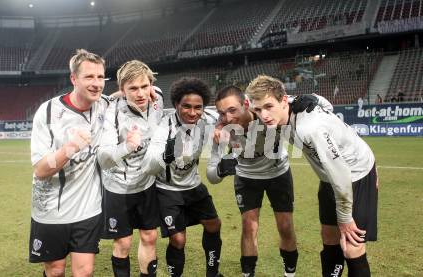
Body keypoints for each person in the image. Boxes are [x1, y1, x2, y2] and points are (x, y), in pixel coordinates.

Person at [246, 75, 378, 277]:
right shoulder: (286, 106)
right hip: (328, 177)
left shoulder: (309, 128)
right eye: (258, 109)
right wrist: (314, 97)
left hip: (355, 174)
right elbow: (327, 105)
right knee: (329, 236)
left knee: (351, 245)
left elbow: (341, 175)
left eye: (268, 106)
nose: (263, 115)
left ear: (282, 101)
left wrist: (344, 217)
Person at [206, 86, 332, 277]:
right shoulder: (221, 128)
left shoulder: (265, 110)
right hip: (246, 178)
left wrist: (311, 99)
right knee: (249, 226)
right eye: (222, 113)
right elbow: (211, 176)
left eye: (233, 110)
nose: (228, 118)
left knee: (285, 226)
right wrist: (221, 169)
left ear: (246, 104)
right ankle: (248, 274)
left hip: (278, 174)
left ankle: (290, 273)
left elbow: (325, 104)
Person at [29, 49, 109, 277]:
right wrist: (70, 148)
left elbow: (127, 94)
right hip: (52, 209)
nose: (96, 83)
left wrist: (152, 91)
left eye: (100, 77)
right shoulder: (48, 112)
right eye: (89, 77)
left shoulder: (104, 105)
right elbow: (41, 169)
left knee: (84, 272)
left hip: (88, 208)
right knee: (55, 271)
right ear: (74, 78)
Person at [141, 77, 223, 277]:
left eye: (198, 107)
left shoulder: (208, 120)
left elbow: (237, 112)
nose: (193, 112)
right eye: (186, 106)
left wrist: (223, 162)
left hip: (193, 186)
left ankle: (213, 273)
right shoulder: (163, 128)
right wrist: (165, 156)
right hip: (167, 190)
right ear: (176, 104)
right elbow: (148, 167)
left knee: (214, 225)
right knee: (178, 240)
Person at [97, 60, 163, 277]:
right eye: (132, 88)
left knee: (149, 236)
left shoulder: (157, 100)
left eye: (144, 86)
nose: (141, 93)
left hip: (147, 183)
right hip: (118, 187)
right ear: (122, 90)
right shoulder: (112, 114)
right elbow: (104, 159)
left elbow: (153, 90)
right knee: (123, 242)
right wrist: (127, 146)